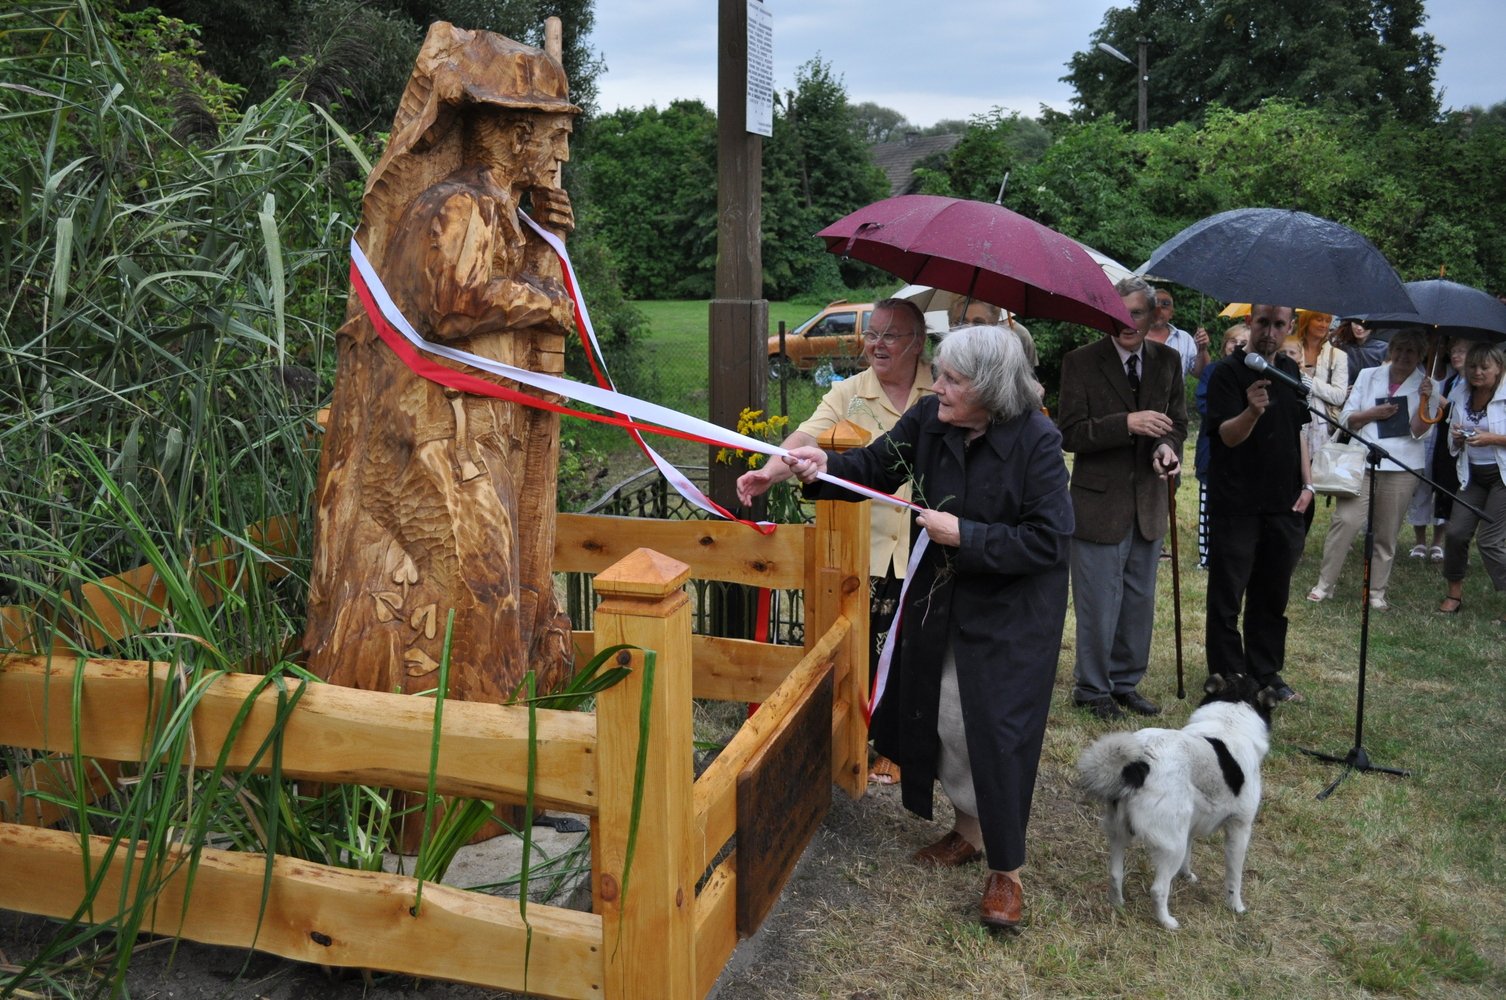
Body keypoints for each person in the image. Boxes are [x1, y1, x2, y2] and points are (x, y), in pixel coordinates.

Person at [751, 324, 1072, 930]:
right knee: (943, 714)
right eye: (941, 375)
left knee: (997, 732)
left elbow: (1051, 540)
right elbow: (873, 467)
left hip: (1012, 612)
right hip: (942, 597)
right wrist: (819, 467)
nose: (938, 386)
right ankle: (969, 831)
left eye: (952, 379)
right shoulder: (930, 420)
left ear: (989, 387)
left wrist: (967, 535)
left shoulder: (1037, 441)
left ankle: (1007, 872)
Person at [737, 298, 933, 784]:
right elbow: (805, 438)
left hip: (925, 546)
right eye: (873, 334)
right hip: (863, 546)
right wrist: (768, 471)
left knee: (915, 650)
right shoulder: (850, 392)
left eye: (891, 335)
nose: (878, 344)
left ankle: (900, 749)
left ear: (918, 343)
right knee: (862, 647)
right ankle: (856, 744)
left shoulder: (943, 389)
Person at [1057, 276, 1187, 720]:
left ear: (1154, 315)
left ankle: (1125, 682)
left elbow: (1178, 423)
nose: (1125, 321)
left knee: (1138, 600)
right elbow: (1070, 434)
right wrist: (1126, 424)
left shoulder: (1168, 361)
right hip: (1098, 504)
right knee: (1098, 600)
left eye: (1135, 312)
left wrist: (1167, 448)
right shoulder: (1080, 362)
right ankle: (1092, 689)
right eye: (1117, 312)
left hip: (1149, 503)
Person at [1203, 304, 1312, 703]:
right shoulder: (1226, 373)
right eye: (1263, 323)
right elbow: (1226, 437)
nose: (1269, 332)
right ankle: (1229, 674)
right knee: (1228, 594)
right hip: (1237, 502)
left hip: (1282, 503)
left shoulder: (1289, 371)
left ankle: (1266, 672)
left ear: (1289, 328)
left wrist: (1308, 484)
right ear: (1249, 323)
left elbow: (1298, 432)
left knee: (1272, 595)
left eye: (1278, 325)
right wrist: (1251, 411)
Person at [1306, 330, 1437, 610]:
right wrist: (1372, 415)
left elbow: (1419, 432)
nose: (1403, 356)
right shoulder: (1368, 375)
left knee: (1386, 533)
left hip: (1401, 467)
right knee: (1345, 521)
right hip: (1361, 461)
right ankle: (1324, 585)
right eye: (1399, 350)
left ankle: (1376, 592)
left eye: (1411, 352)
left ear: (1420, 356)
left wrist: (1429, 399)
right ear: (1391, 351)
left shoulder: (1427, 386)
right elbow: (1345, 418)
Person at [1436, 342, 1506, 621]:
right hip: (1472, 476)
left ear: (1498, 368)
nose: (1477, 372)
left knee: (1489, 541)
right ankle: (1454, 594)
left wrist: (1493, 439)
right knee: (1455, 534)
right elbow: (1454, 436)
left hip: (1502, 477)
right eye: (1472, 367)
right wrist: (1456, 439)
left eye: (1484, 367)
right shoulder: (1461, 393)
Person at [1408, 337, 1472, 561]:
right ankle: (1419, 542)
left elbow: (1459, 413)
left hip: (1450, 445)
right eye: (1454, 351)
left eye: (1461, 351)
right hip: (1429, 439)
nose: (1456, 355)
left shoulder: (1468, 383)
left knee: (1445, 490)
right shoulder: (1455, 381)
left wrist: (1436, 395)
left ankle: (1437, 542)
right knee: (1422, 487)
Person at [1194, 324, 1248, 568]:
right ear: (1224, 344)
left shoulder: (1254, 373)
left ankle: (1234, 551)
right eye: (1232, 341)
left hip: (1244, 450)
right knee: (1208, 503)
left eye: (1243, 342)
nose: (1237, 346)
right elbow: (1203, 403)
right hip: (1213, 448)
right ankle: (1206, 556)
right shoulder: (1213, 371)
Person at [1149, 287, 1211, 377]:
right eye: (1153, 304)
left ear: (1171, 313)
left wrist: (1202, 350)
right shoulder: (1133, 336)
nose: (1158, 310)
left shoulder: (1184, 339)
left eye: (1165, 305)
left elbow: (1202, 374)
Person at [1333, 317, 1387, 385]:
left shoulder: (1383, 348)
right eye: (1356, 323)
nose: (1359, 328)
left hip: (1372, 392)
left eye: (1365, 324)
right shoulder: (1340, 347)